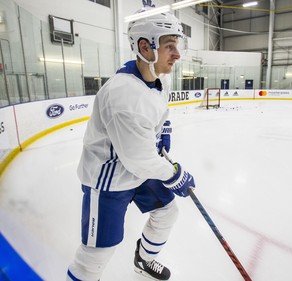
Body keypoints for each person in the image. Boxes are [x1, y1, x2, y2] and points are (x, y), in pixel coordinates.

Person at [66, 6, 195, 281]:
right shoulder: (124, 95)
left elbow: (159, 111)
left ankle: (144, 260)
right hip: (109, 178)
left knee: (167, 212)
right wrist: (176, 175)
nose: (177, 54)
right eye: (169, 45)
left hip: (135, 170)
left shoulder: (153, 78)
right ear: (145, 47)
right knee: (97, 254)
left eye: (177, 45)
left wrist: (165, 129)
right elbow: (140, 160)